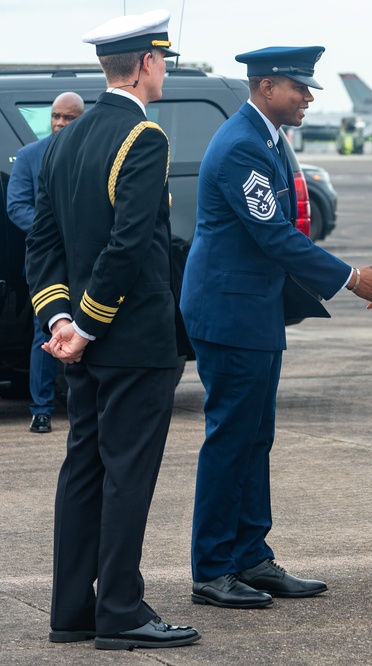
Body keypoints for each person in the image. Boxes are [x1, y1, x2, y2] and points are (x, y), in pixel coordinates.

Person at [180, 46, 372, 610]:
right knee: (231, 437)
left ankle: (251, 556)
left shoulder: (267, 138)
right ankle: (212, 569)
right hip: (230, 313)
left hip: (252, 310)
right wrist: (352, 279)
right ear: (267, 85)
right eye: (299, 87)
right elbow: (274, 235)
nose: (308, 96)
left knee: (255, 435)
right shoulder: (242, 146)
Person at [24, 9, 199, 650]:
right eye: (163, 61)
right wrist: (90, 325)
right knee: (127, 474)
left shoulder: (62, 140)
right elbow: (128, 247)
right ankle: (121, 609)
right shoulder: (143, 137)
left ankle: (72, 610)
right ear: (149, 64)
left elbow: (41, 247)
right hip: (133, 341)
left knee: (83, 472)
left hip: (83, 343)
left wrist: (62, 319)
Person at [6, 91, 84, 433]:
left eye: (68, 118)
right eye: (56, 116)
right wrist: (57, 232)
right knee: (46, 332)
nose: (60, 123)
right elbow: (16, 208)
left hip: (85, 263)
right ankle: (41, 409)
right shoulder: (28, 156)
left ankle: (83, 405)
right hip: (46, 264)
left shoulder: (91, 154)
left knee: (86, 331)